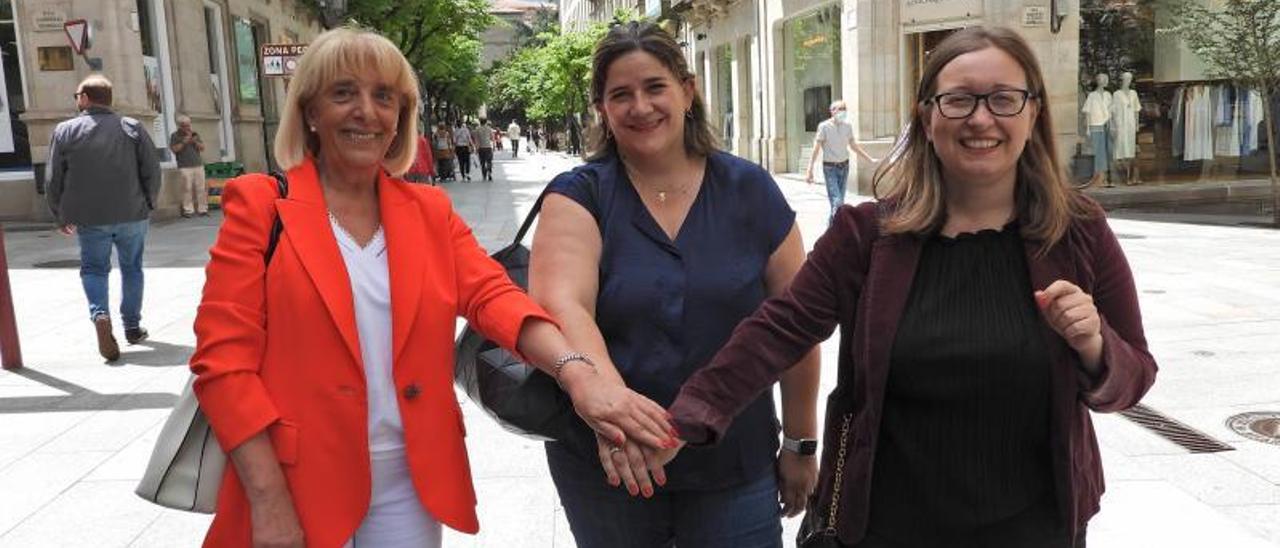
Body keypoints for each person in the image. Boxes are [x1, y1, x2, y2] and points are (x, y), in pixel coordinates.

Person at [663, 26, 1158, 548]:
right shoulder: (865, 237)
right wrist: (686, 418)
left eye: (1004, 99)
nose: (981, 118)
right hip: (888, 525)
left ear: (1033, 113)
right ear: (926, 116)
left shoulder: (1078, 231)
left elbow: (1135, 376)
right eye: (958, 99)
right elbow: (776, 332)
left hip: (1037, 527)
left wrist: (1095, 344)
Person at [189, 27, 677, 548]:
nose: (366, 112)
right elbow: (223, 364)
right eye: (343, 93)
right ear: (309, 111)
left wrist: (576, 374)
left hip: (409, 477)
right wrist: (267, 498)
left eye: (384, 97)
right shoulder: (261, 206)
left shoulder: (427, 212)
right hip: (293, 475)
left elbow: (495, 297)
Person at [528, 21, 820, 548]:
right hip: (614, 463)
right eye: (621, 94)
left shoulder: (748, 189)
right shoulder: (579, 195)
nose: (640, 106)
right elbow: (564, 304)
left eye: (655, 87)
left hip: (734, 460)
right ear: (602, 108)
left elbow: (797, 324)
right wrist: (615, 411)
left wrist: (801, 442)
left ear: (687, 92)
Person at [46, 74, 160, 361]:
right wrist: (149, 202)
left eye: (77, 96)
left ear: (84, 98)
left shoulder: (65, 131)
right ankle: (132, 327)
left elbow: (53, 178)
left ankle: (100, 316)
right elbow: (152, 170)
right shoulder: (132, 126)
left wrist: (60, 213)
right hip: (132, 213)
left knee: (94, 269)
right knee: (132, 267)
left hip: (90, 217)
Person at [804, 100, 877, 225]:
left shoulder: (847, 126)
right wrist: (809, 169)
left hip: (844, 166)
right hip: (830, 168)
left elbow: (853, 145)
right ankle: (837, 232)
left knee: (839, 203)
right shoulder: (824, 126)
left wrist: (869, 158)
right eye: (840, 109)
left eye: (844, 109)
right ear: (832, 111)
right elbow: (816, 148)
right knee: (837, 203)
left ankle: (831, 230)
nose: (843, 112)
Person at [170, 114, 208, 217]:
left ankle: (203, 209)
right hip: (184, 166)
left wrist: (195, 141)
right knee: (186, 189)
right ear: (180, 126)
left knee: (201, 188)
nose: (188, 127)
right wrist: (184, 142)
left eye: (189, 125)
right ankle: (188, 210)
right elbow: (174, 149)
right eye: (185, 125)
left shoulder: (194, 134)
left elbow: (202, 148)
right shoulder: (175, 135)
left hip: (198, 164)